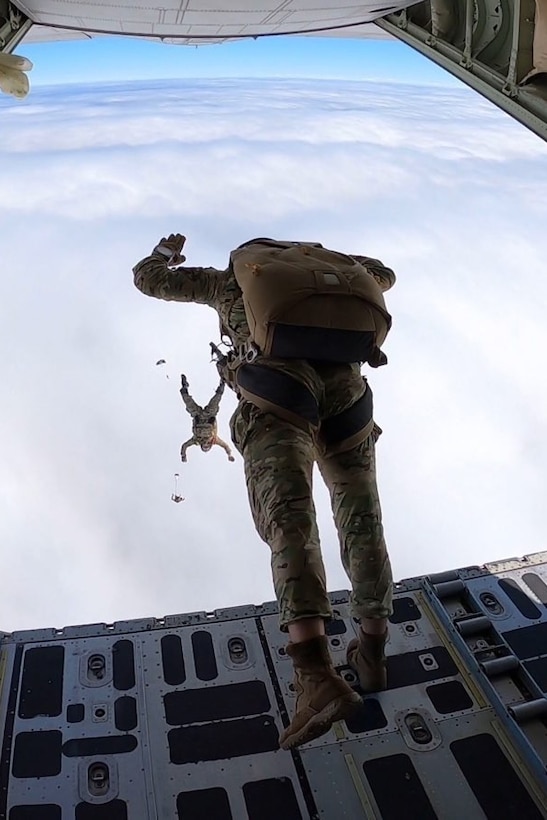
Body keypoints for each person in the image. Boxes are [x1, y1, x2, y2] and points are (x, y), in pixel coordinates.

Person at [133, 233, 395, 750]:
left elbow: (149, 280)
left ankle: (317, 674)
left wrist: (164, 255)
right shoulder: (339, 270)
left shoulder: (225, 282)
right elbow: (382, 277)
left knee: (290, 520)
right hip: (350, 397)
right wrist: (338, 267)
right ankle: (372, 651)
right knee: (361, 517)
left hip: (275, 395)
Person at [179, 374, 235, 462]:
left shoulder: (195, 440)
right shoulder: (215, 440)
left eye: (204, 446)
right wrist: (229, 455)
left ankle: (184, 387)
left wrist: (183, 455)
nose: (205, 444)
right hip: (209, 415)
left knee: (187, 400)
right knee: (216, 399)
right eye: (207, 446)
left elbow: (185, 445)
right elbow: (226, 446)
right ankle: (222, 384)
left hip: (197, 415)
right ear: (210, 445)